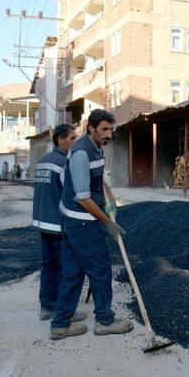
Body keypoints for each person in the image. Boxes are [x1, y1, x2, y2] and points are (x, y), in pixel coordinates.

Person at [50, 109, 133, 340]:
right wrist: (107, 222)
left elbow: (97, 177)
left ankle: (60, 324)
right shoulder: (80, 153)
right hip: (82, 224)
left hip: (76, 221)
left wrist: (109, 194)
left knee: (73, 273)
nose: (109, 134)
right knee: (100, 272)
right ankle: (104, 321)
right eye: (104, 129)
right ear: (91, 128)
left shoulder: (95, 148)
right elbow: (82, 197)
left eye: (111, 129)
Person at [32, 124, 83, 323]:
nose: (75, 142)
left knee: (49, 266)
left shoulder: (43, 161)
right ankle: (64, 311)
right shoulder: (64, 163)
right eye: (72, 139)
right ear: (60, 140)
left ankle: (46, 307)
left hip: (43, 222)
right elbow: (72, 195)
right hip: (60, 224)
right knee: (66, 269)